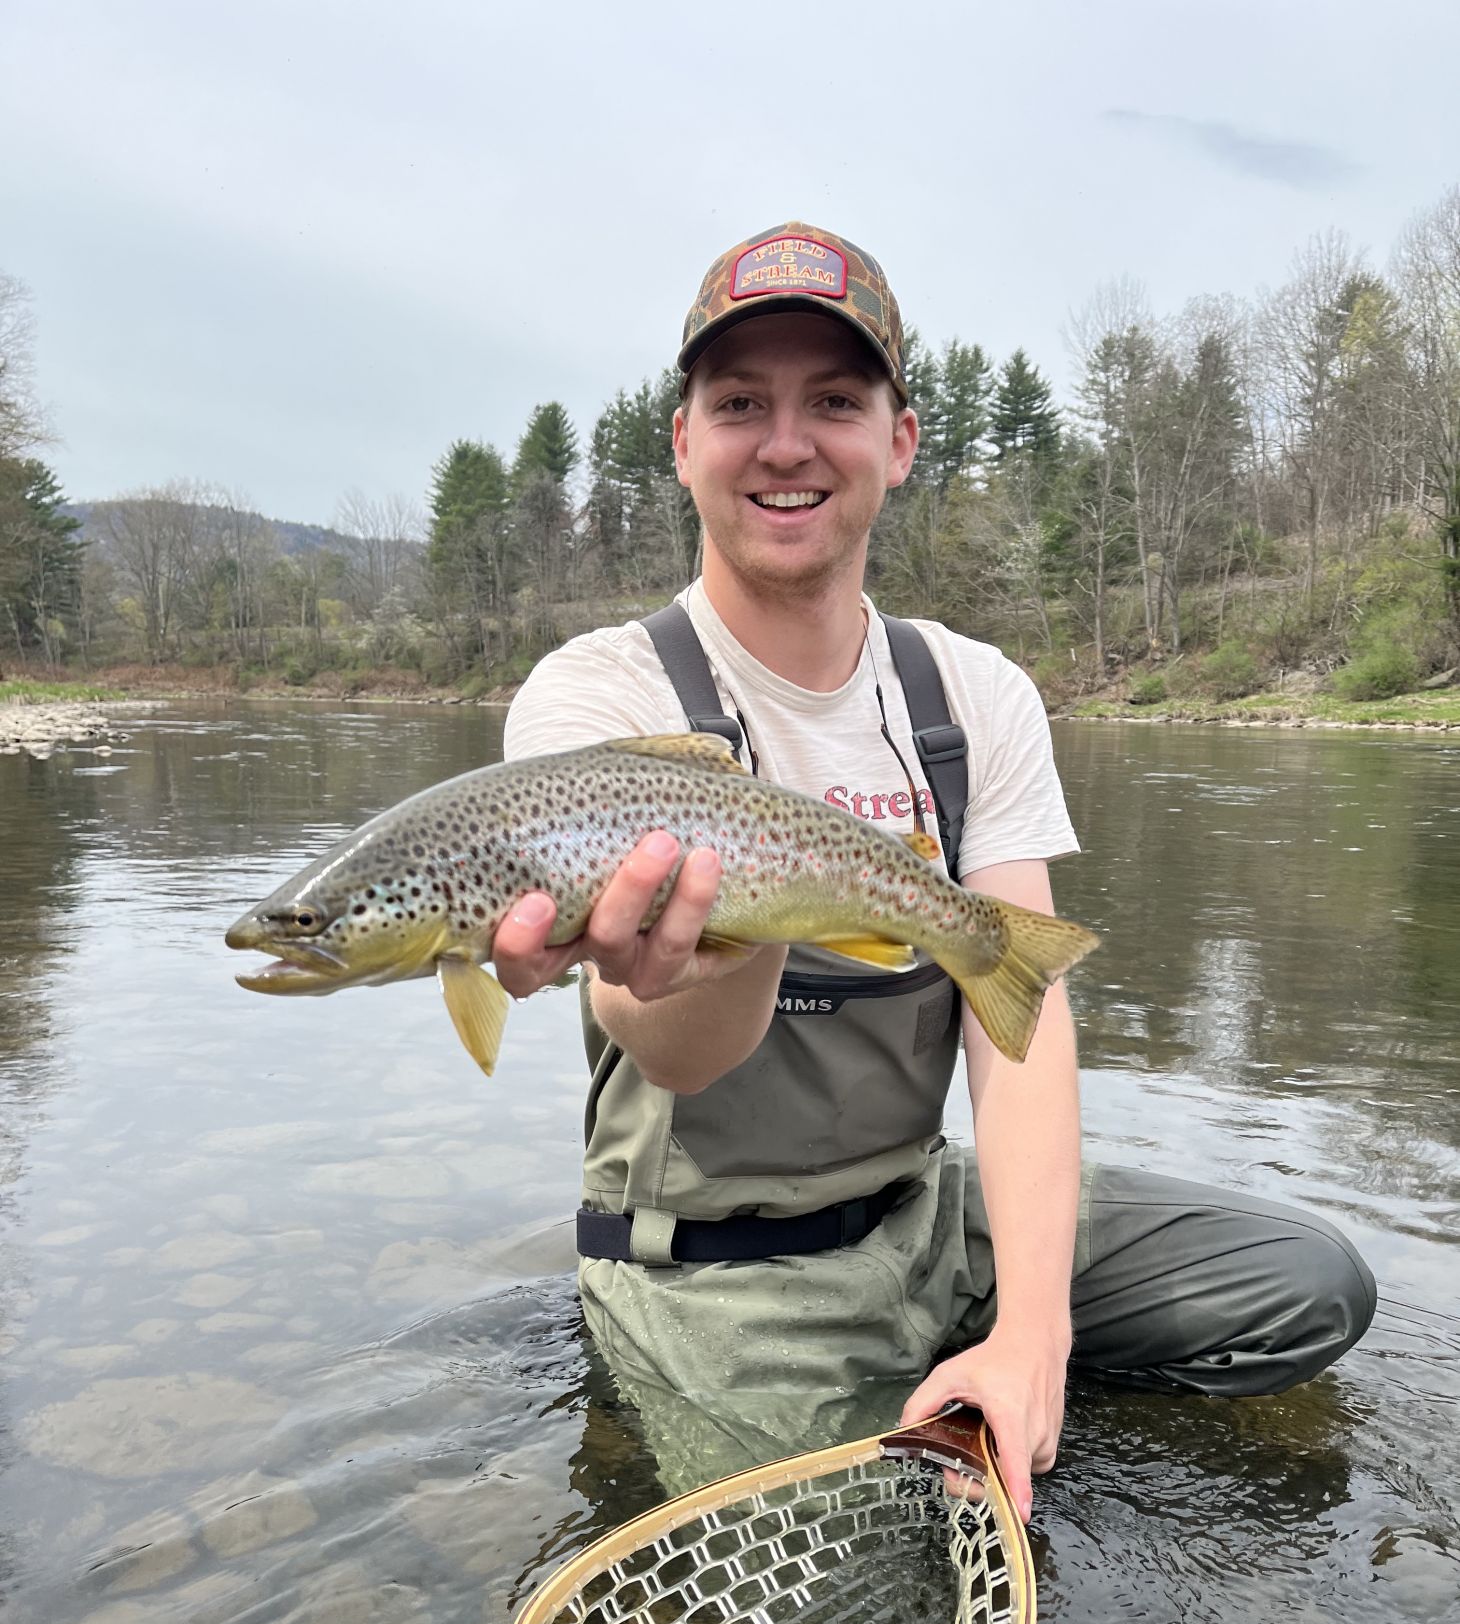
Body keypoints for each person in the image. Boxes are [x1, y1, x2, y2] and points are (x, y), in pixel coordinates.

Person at [497, 221, 1376, 1519]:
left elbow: (1017, 1014)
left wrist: (1033, 1336)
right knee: (863, 1577)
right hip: (723, 1267)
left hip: (929, 1215)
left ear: (899, 443)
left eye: (836, 402)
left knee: (1308, 1286)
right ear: (682, 442)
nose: (787, 442)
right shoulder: (596, 699)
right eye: (740, 402)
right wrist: (733, 929)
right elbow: (664, 1046)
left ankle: (978, 1372)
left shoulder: (972, 693)